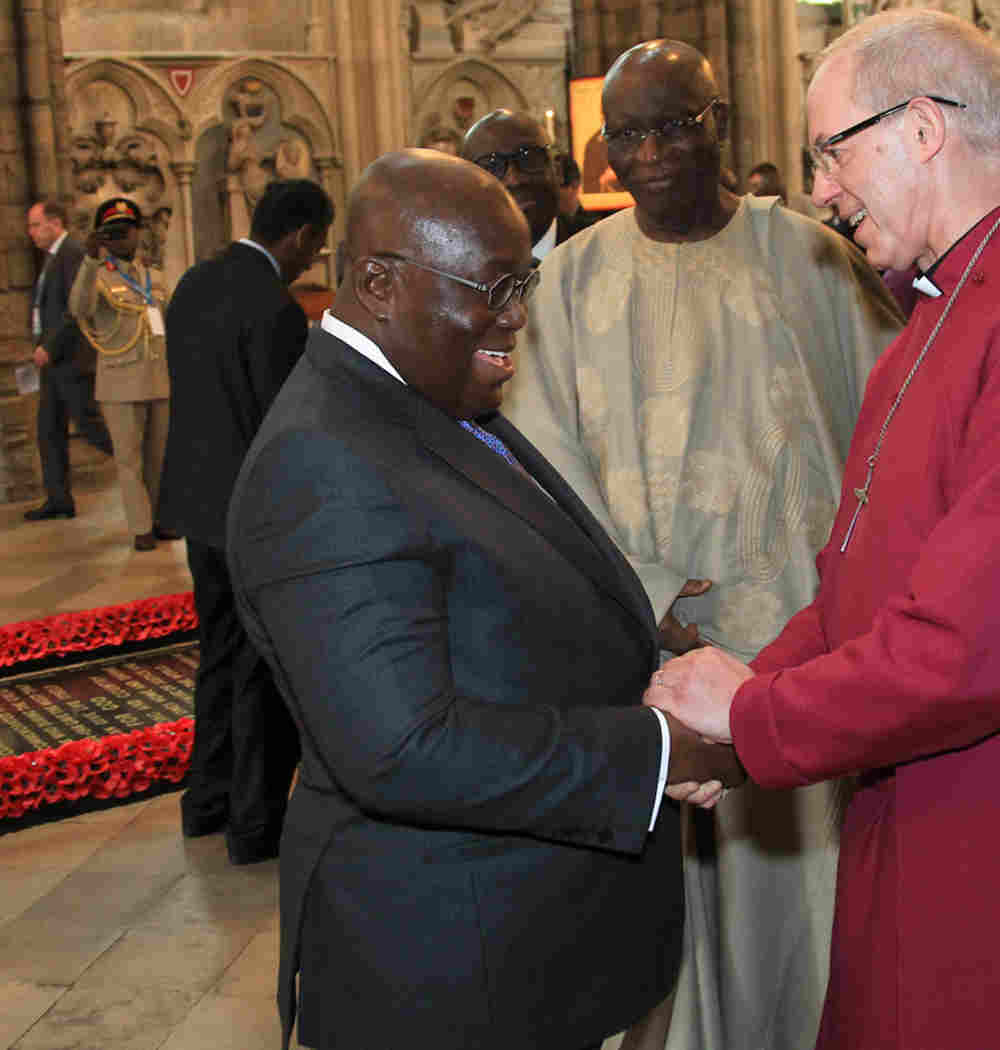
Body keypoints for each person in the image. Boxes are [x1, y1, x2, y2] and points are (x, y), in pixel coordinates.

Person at [647, 11, 1000, 1049]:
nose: (819, 190)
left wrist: (754, 716)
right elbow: (863, 594)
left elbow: (979, 650)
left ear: (923, 128)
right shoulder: (929, 320)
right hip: (912, 807)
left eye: (830, 151)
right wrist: (738, 714)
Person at [226, 148, 742, 1050]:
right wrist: (657, 752)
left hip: (542, 947)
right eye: (494, 289)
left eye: (525, 283)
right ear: (380, 282)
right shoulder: (323, 457)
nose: (517, 320)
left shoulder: (426, 399)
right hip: (459, 976)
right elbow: (403, 747)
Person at [503, 38, 904, 1050]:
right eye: (629, 132)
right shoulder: (572, 283)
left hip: (791, 649)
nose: (653, 152)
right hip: (638, 648)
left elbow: (886, 433)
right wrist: (645, 600)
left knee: (790, 899)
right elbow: (542, 464)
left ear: (720, 121)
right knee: (653, 909)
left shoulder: (811, 258)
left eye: (677, 123)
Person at [158, 178, 335, 865]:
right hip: (251, 518)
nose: (312, 259)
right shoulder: (276, 310)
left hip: (197, 509)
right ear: (296, 235)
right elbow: (280, 428)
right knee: (263, 671)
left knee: (219, 657)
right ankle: (255, 824)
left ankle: (205, 802)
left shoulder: (194, 284)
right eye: (314, 246)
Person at [69, 196, 172, 551]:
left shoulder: (153, 278)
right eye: (114, 233)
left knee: (158, 459)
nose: (123, 239)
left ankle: (159, 519)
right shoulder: (95, 277)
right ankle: (141, 527)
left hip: (157, 378)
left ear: (138, 234)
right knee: (130, 461)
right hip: (119, 381)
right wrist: (88, 260)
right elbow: (78, 310)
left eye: (127, 232)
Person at [23, 199, 113, 521]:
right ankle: (59, 499)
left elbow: (74, 310)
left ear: (55, 223)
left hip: (70, 361)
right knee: (49, 431)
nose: (30, 232)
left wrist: (50, 345)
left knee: (92, 427)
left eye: (35, 224)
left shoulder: (72, 254)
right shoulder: (51, 258)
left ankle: (144, 464)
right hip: (52, 364)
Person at [460, 109, 586, 261]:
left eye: (529, 158)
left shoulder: (598, 251)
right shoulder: (453, 266)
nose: (513, 179)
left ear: (557, 171)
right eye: (491, 166)